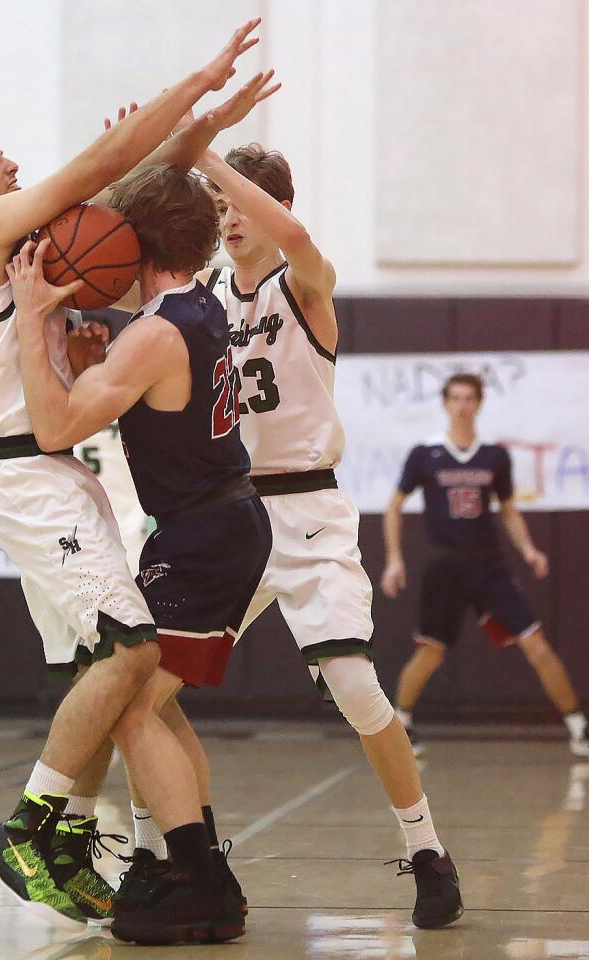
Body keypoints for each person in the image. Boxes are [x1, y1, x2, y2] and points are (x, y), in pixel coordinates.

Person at [0, 21, 267, 941]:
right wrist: (199, 81)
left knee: (102, 671)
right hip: (27, 471)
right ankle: (33, 830)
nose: (10, 163)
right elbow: (105, 162)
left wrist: (204, 124)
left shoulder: (30, 243)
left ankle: (111, 849)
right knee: (134, 651)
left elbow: (130, 189)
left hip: (57, 471)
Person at [164, 143, 464, 929]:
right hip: (228, 515)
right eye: (218, 204)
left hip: (308, 510)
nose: (227, 215)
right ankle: (172, 862)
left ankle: (428, 850)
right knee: (142, 689)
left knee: (359, 689)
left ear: (275, 207)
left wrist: (208, 157)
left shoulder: (305, 285)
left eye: (240, 202)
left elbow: (295, 240)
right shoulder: (200, 298)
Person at [8, 163, 272, 944]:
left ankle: (191, 873)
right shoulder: (193, 307)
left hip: (203, 533)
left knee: (126, 707)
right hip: (216, 525)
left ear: (134, 243)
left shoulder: (155, 331)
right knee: (152, 705)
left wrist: (31, 319)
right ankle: (201, 871)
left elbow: (56, 430)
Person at [381, 372, 589, 762]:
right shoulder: (425, 453)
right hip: (445, 567)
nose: (461, 405)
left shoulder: (494, 455)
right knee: (430, 653)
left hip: (487, 566)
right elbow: (393, 506)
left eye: (468, 398)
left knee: (537, 646)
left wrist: (529, 549)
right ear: (445, 404)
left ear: (479, 404)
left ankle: (581, 733)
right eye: (455, 398)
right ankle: (400, 727)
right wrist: (394, 559)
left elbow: (507, 509)